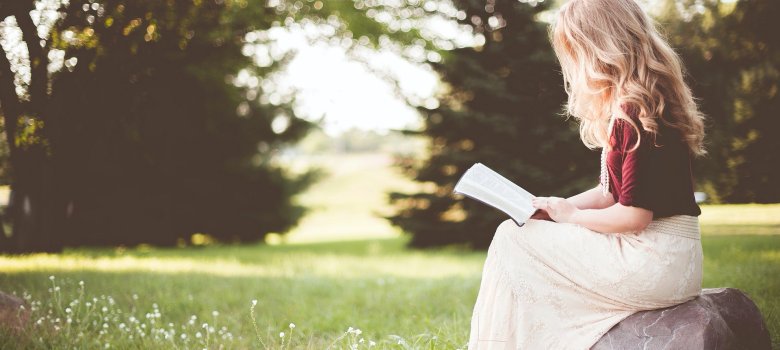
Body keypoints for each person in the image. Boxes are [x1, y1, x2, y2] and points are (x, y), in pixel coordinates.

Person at [467, 0, 707, 349]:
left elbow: (635, 215)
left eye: (575, 50)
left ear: (600, 47)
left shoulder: (634, 111)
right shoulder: (643, 102)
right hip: (667, 256)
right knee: (523, 231)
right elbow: (610, 193)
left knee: (511, 237)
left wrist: (574, 217)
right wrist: (553, 209)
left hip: (654, 259)